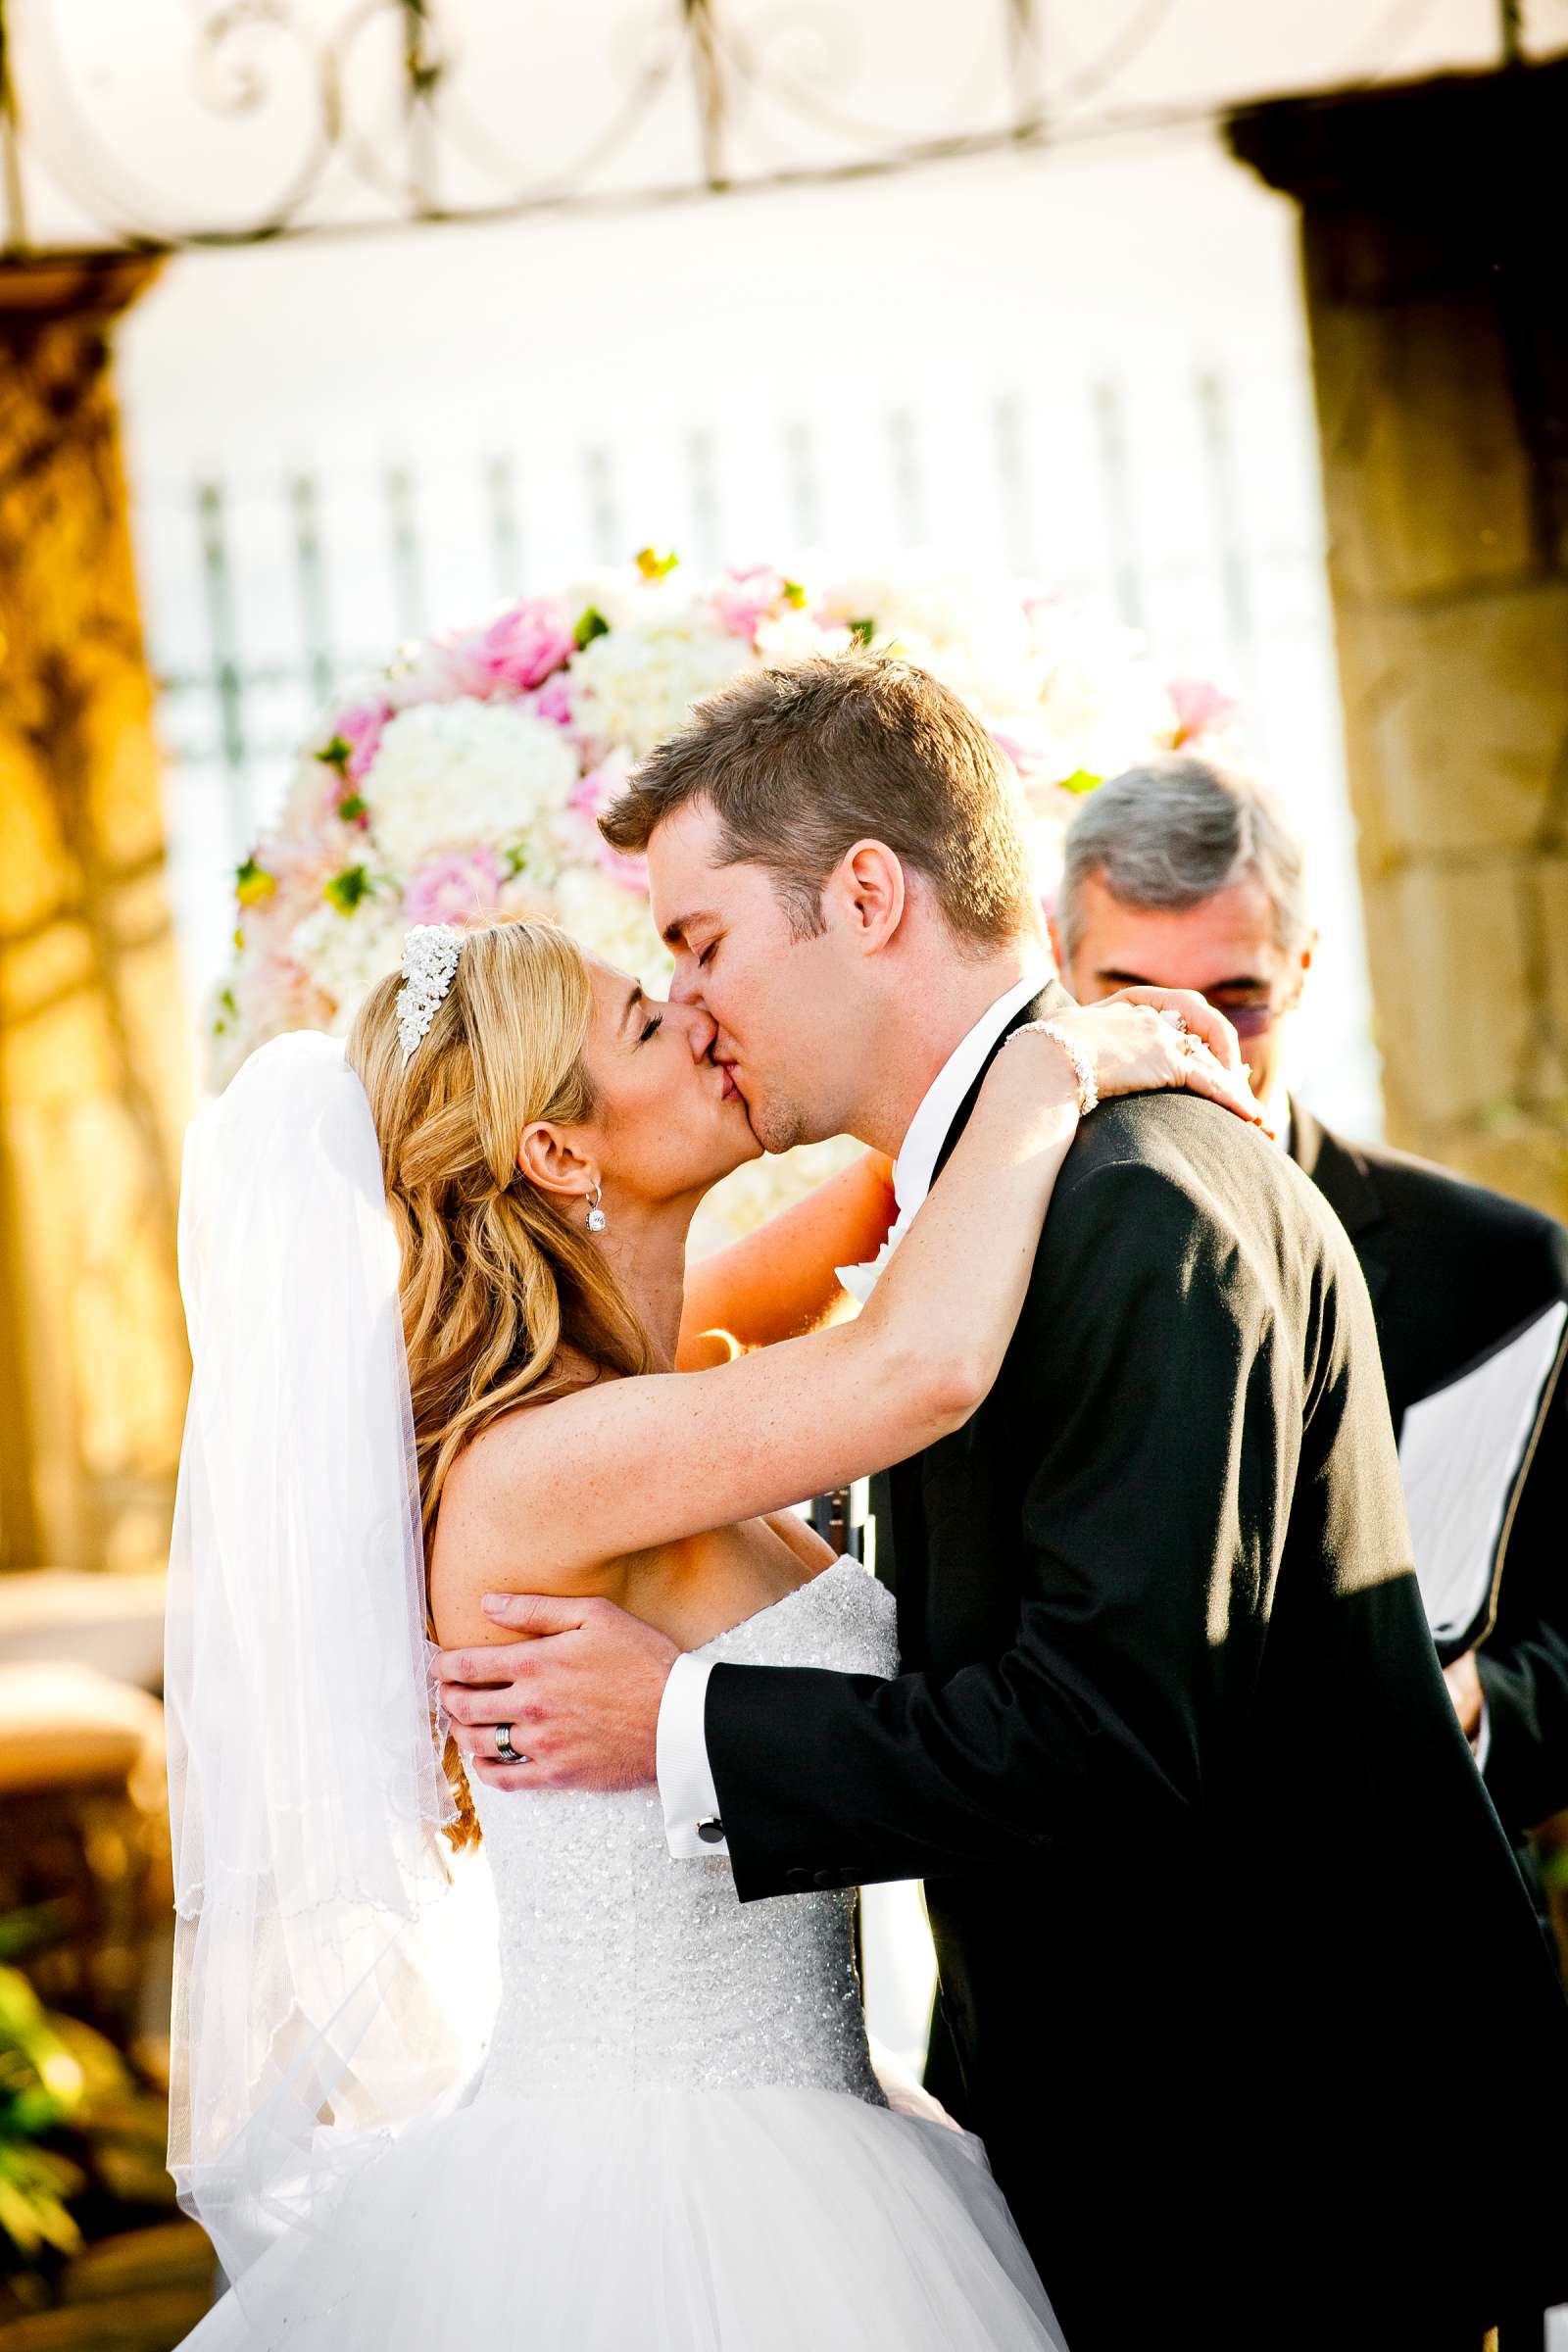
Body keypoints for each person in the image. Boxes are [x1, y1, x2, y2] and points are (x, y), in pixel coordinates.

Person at [442, 656, 1568, 2352]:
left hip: (1268, 2185)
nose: (695, 1001)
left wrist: (687, 1725)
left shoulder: (1133, 1210)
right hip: (1090, 2160)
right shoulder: (1007, 1210)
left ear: (869, 894)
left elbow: (1109, 1733)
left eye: (703, 942)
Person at [167, 909, 1252, 2350]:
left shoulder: (654, 1391)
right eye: (642, 1020)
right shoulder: (546, 1466)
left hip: (835, 2126)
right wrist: (1052, 1065)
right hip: (666, 2194)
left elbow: (880, 1208)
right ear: (558, 1152)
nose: (693, 1010)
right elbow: (914, 1363)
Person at [1049, 754, 1568, 1922]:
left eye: (1234, 1001)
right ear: (1055, 958)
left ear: (1305, 967)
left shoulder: (1497, 1267)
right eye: (1130, 995)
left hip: (1412, 1955)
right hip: (1079, 1997)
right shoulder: (977, 1260)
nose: (1186, 1040)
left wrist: (1469, 1703)